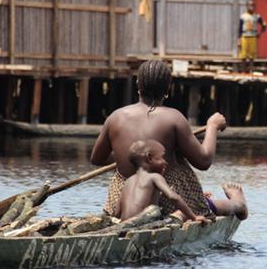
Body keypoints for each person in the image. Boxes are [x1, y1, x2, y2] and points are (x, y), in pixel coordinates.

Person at [90, 60, 247, 220]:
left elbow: (97, 158)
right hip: (167, 199)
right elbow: (204, 161)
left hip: (122, 203)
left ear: (138, 85)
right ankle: (237, 204)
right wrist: (212, 126)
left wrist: (129, 160)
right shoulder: (174, 118)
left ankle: (234, 204)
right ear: (168, 88)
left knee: (176, 157)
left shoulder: (115, 117)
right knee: (206, 205)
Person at [119, 140, 247, 222]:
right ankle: (236, 204)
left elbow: (117, 211)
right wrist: (194, 217)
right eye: (162, 157)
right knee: (181, 213)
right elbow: (173, 197)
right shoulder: (155, 177)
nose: (165, 162)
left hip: (126, 223)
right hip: (142, 223)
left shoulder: (128, 181)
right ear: (149, 158)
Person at [238, 2, 266, 73]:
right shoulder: (243, 16)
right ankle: (243, 71)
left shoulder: (257, 16)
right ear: (247, 6)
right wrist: (239, 39)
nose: (251, 6)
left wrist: (260, 33)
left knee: (252, 55)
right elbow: (240, 28)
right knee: (243, 55)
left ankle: (251, 71)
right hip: (244, 37)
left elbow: (264, 25)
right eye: (250, 5)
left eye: (253, 5)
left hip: (253, 37)